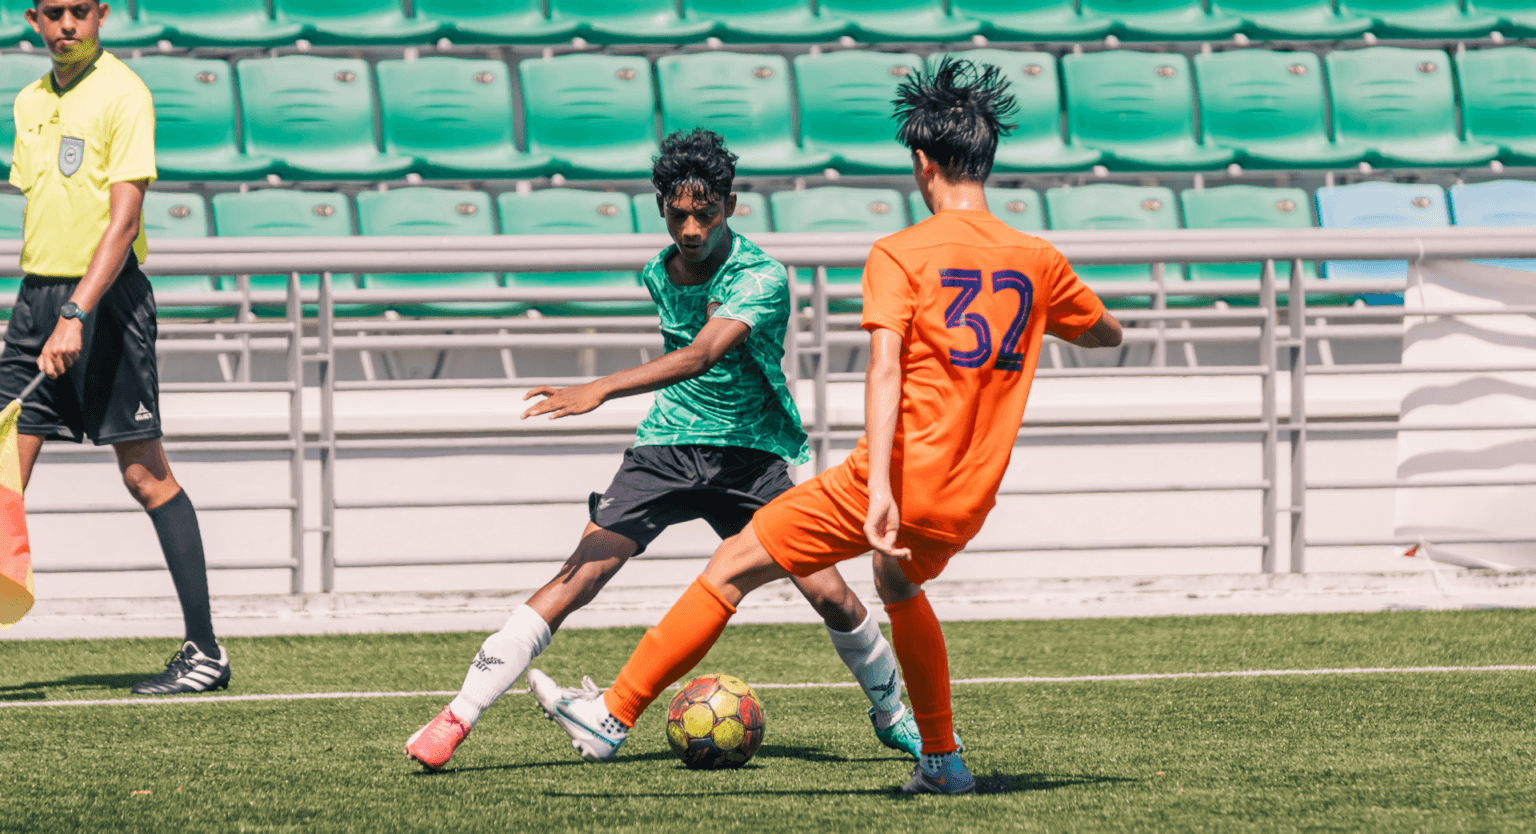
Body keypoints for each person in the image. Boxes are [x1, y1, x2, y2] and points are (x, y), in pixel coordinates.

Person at [537, 57, 1124, 794]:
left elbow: (884, 371)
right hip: (969, 497)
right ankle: (941, 761)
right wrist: (1036, 313)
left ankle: (611, 715)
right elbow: (1107, 333)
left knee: (732, 566)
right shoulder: (1039, 261)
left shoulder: (901, 253)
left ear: (922, 161)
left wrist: (877, 487)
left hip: (894, 478)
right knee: (897, 584)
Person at [406, 129, 931, 770]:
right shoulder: (659, 270)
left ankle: (894, 716)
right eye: (677, 213)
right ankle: (456, 717)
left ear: (730, 206)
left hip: (752, 455)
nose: (690, 227)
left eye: (705, 212)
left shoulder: (762, 276)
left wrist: (599, 387)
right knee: (581, 574)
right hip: (667, 447)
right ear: (661, 209)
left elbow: (701, 354)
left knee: (831, 596)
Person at [1, 0, 229, 694]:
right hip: (36, 298)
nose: (66, 25)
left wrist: (76, 312)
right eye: (52, 13)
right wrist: (48, 309)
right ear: (34, 22)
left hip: (104, 301)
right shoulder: (29, 100)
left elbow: (124, 220)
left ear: (100, 15)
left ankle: (206, 653)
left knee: (143, 476)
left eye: (79, 11)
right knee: (2, 471)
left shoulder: (124, 93)